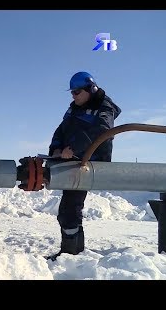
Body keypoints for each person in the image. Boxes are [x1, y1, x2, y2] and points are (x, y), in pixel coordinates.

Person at [47, 71, 121, 260]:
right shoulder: (73, 109)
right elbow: (60, 130)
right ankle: (74, 254)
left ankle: (70, 254)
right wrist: (55, 149)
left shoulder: (104, 107)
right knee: (68, 209)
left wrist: (73, 148)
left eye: (77, 92)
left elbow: (103, 130)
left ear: (91, 89)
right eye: (72, 92)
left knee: (70, 208)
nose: (73, 96)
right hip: (74, 161)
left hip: (91, 162)